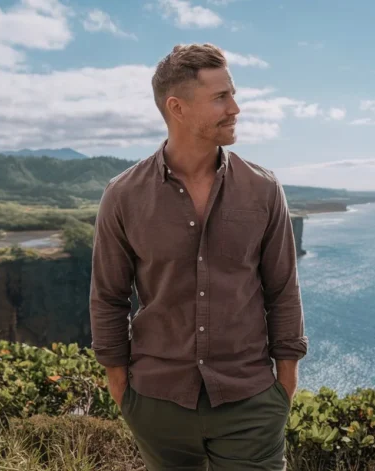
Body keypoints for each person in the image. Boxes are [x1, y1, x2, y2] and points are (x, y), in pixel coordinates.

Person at [89, 43, 308, 471]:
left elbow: (283, 289)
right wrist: (122, 390)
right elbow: (108, 298)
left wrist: (284, 384)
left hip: (250, 402)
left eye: (233, 93)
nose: (236, 108)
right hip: (158, 403)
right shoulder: (124, 196)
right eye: (221, 97)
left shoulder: (263, 189)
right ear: (178, 108)